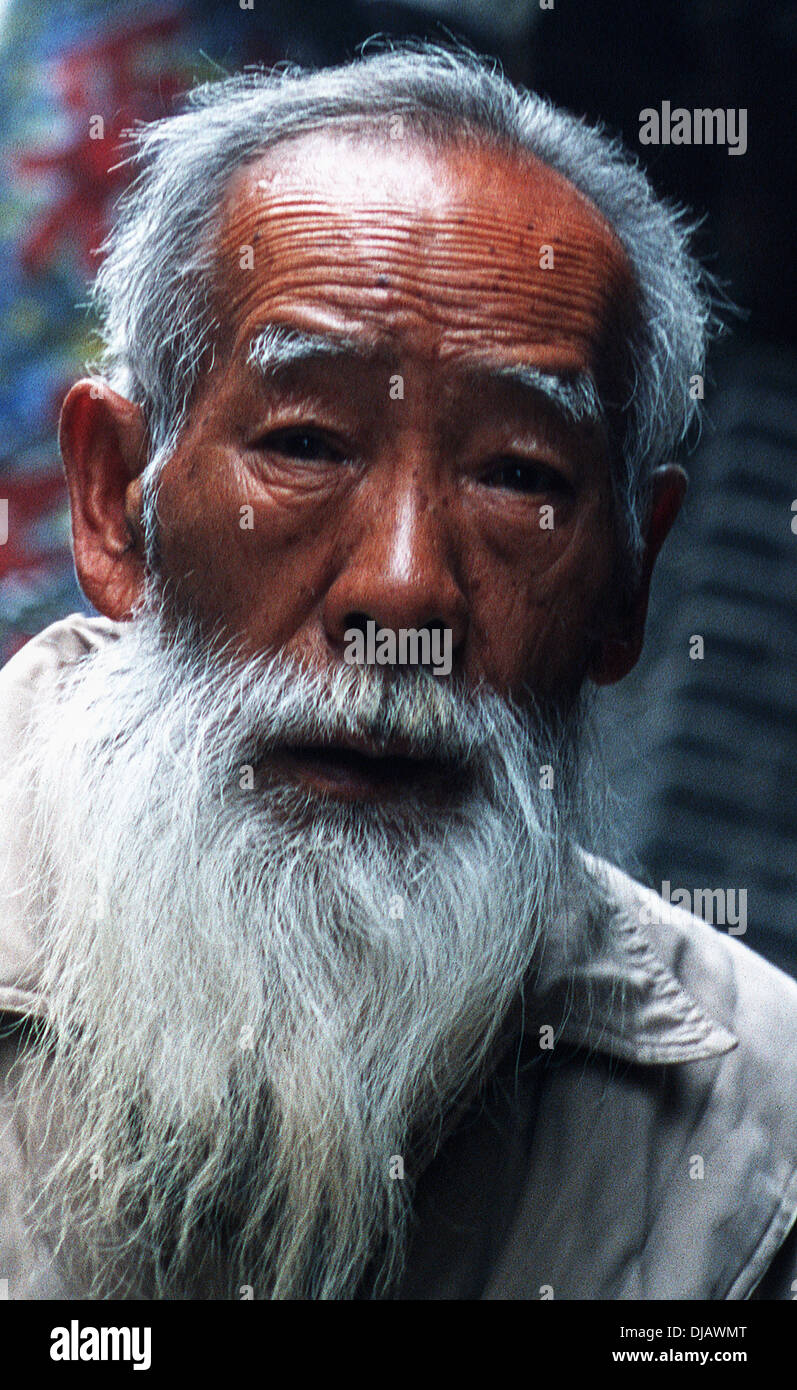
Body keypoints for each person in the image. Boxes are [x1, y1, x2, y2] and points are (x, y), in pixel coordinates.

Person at [1, 42, 795, 1300]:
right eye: (306, 444)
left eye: (517, 476)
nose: (404, 592)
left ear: (625, 584)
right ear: (114, 505)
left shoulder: (757, 1139)